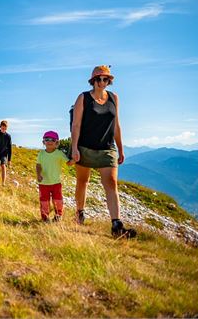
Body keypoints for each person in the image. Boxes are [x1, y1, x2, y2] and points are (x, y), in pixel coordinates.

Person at [71, 65, 136, 238]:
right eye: (98, 79)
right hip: (85, 148)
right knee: (83, 181)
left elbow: (116, 125)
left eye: (105, 79)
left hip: (108, 149)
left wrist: (121, 149)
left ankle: (116, 225)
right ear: (93, 81)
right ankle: (79, 212)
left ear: (109, 81)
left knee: (111, 183)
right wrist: (74, 147)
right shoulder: (83, 98)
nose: (102, 82)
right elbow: (76, 125)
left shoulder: (114, 98)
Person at [36, 130, 74, 222]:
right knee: (44, 201)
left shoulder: (59, 153)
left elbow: (68, 163)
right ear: (43, 142)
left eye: (52, 140)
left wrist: (74, 160)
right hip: (44, 183)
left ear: (57, 142)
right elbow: (38, 165)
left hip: (56, 183)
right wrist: (39, 174)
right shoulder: (41, 153)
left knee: (57, 200)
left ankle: (58, 216)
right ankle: (45, 217)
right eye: (47, 139)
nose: (49, 141)